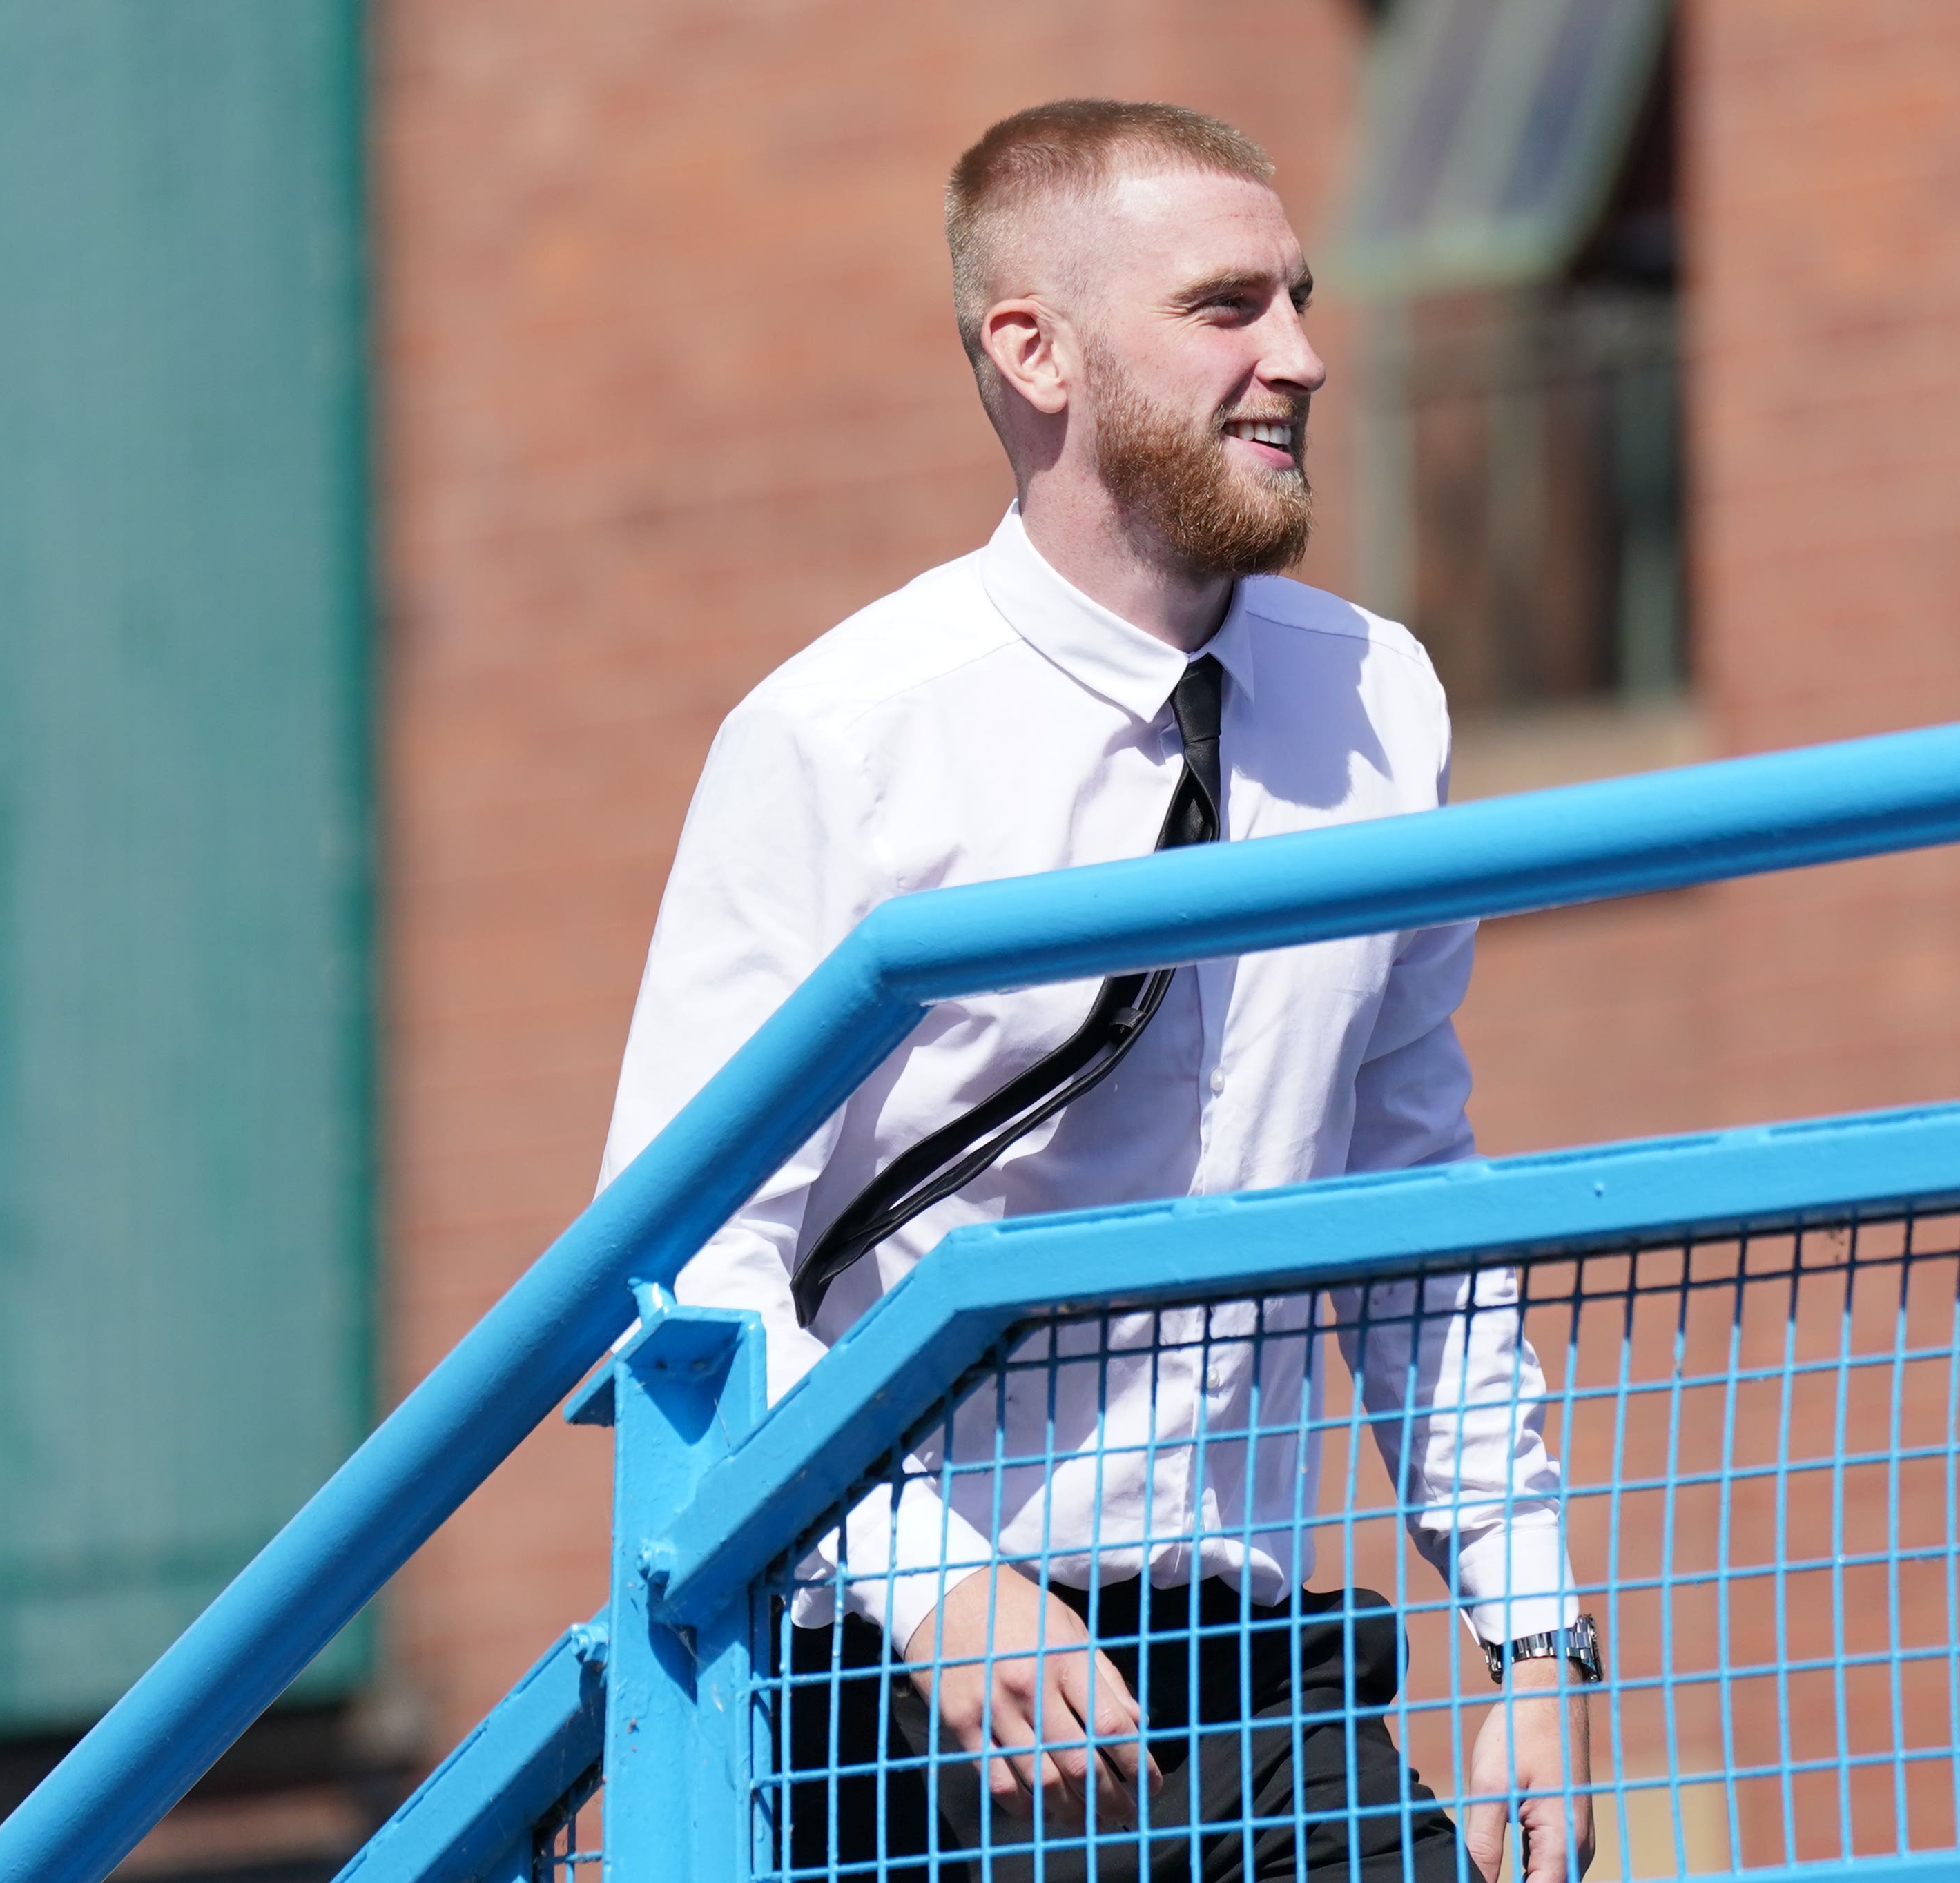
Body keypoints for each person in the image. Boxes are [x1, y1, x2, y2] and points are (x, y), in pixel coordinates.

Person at [596, 101, 1598, 1882]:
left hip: (1259, 1679)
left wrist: (1529, 1636)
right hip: (902, 1706)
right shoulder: (842, 741)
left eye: (1293, 298)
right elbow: (675, 1269)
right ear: (1031, 350)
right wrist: (934, 1586)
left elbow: (1409, 1198)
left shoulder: (1381, 706)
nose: (1297, 355)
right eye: (1224, 308)